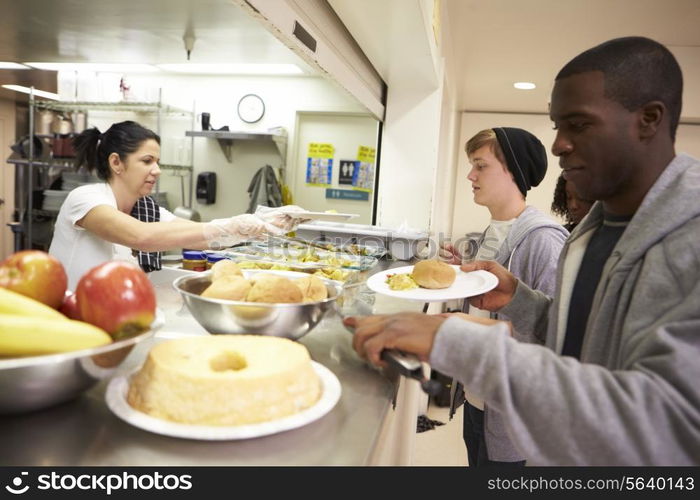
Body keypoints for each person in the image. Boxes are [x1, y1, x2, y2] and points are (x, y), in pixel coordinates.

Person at [347, 36, 700, 464]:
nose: (558, 146)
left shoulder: (689, 238)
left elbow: (671, 425)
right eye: (558, 127)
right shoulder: (598, 227)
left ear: (649, 119)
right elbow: (582, 340)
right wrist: (522, 300)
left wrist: (460, 342)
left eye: (580, 124)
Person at [441, 127, 568, 466]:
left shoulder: (544, 240)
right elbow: (492, 305)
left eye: (480, 165)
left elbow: (554, 334)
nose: (470, 175)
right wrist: (459, 273)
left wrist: (462, 327)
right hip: (478, 398)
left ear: (512, 169)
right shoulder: (493, 232)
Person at [50, 121, 304, 289]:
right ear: (116, 163)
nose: (157, 170)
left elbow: (198, 236)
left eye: (157, 161)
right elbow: (139, 236)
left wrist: (261, 224)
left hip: (113, 315)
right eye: (147, 161)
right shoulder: (85, 199)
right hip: (67, 320)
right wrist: (232, 225)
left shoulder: (147, 210)